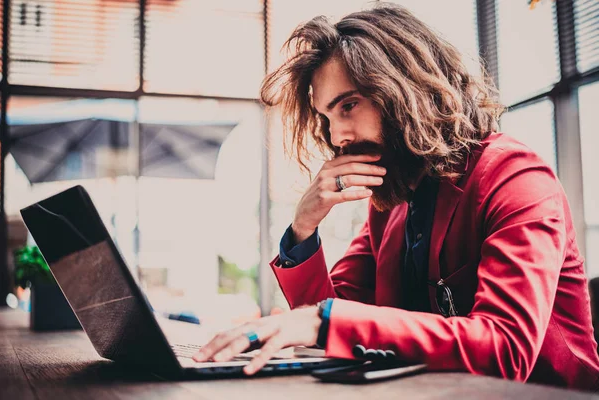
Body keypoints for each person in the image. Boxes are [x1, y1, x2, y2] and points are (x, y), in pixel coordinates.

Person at [193, 3, 599, 390]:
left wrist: (325, 322)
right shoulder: (392, 204)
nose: (337, 137)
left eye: (348, 106)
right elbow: (329, 316)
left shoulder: (515, 177)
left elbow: (505, 348)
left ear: (406, 89)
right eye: (326, 119)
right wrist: (303, 228)